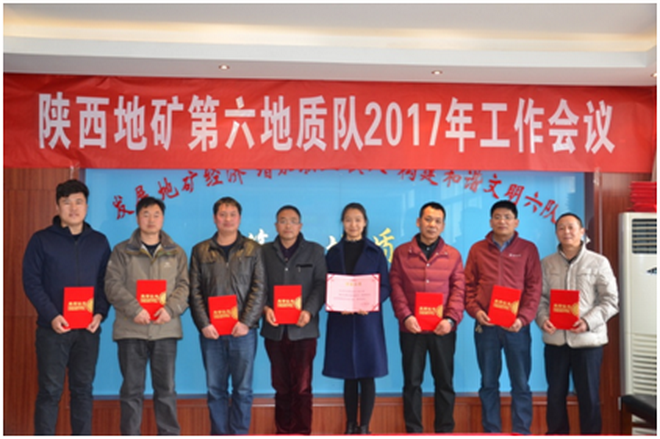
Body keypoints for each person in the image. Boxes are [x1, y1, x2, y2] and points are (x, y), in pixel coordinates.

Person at [22, 179, 111, 435]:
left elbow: (106, 282)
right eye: (67, 202)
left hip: (88, 331)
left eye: (79, 202)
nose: (73, 208)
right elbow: (31, 282)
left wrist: (100, 313)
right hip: (53, 331)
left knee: (83, 391)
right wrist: (52, 315)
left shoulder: (99, 241)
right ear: (57, 206)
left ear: (87, 207)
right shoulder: (41, 240)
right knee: (50, 392)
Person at [105, 196, 190, 435]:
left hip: (165, 330)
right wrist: (135, 310)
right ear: (137, 218)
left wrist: (169, 309)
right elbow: (111, 285)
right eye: (145, 214)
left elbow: (184, 286)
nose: (151, 219)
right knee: (131, 390)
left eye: (156, 214)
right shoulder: (121, 251)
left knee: (166, 390)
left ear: (163, 218)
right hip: (131, 329)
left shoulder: (176, 252)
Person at [189, 196, 266, 435]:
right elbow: (194, 291)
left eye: (232, 214)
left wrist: (246, 322)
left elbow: (259, 288)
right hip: (211, 333)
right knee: (215, 390)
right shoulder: (200, 251)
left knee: (243, 390)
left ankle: (239, 433)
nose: (228, 219)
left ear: (239, 218)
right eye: (223, 214)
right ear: (215, 218)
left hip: (243, 333)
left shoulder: (253, 249)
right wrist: (204, 324)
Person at [536, 213, 619, 435]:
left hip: (587, 342)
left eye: (571, 227)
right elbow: (540, 299)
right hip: (556, 341)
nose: (567, 232)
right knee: (555, 396)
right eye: (561, 228)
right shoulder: (547, 263)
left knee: (589, 397)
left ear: (582, 231)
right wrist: (543, 319)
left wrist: (587, 322)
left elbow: (611, 301)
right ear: (556, 233)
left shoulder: (598, 262)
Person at [464, 199, 542, 434]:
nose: (502, 221)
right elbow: (468, 286)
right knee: (488, 382)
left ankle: (521, 431)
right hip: (486, 326)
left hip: (516, 327)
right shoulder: (477, 249)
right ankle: (492, 431)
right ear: (490, 221)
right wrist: (476, 312)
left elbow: (534, 288)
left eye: (507, 217)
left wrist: (523, 319)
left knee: (521, 383)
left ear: (516, 222)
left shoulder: (528, 249)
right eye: (497, 217)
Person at [389, 202, 465, 433]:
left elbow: (459, 290)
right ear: (418, 222)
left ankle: (445, 431)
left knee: (445, 383)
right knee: (412, 383)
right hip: (411, 329)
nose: (432, 225)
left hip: (443, 330)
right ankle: (414, 431)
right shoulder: (402, 253)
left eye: (438, 221)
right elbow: (395, 287)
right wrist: (405, 316)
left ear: (443, 226)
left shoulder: (453, 255)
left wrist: (450, 320)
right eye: (428, 219)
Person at [323, 202, 390, 435]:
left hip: (367, 321)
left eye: (358, 220)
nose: (353, 224)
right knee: (348, 374)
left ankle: (365, 427)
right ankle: (350, 425)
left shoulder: (376, 252)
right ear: (343, 223)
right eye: (349, 220)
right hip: (342, 321)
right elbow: (326, 284)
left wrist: (371, 302)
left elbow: (385, 286)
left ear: (365, 223)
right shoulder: (333, 253)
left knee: (367, 374)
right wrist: (335, 301)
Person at [261, 205, 327, 435]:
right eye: (282, 220)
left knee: (302, 387)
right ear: (276, 225)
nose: (287, 225)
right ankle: (282, 432)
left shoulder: (315, 251)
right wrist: (264, 308)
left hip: (304, 330)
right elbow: (257, 285)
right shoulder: (264, 252)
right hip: (275, 330)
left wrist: (308, 311)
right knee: (281, 387)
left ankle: (302, 432)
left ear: (300, 226)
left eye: (292, 221)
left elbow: (321, 284)